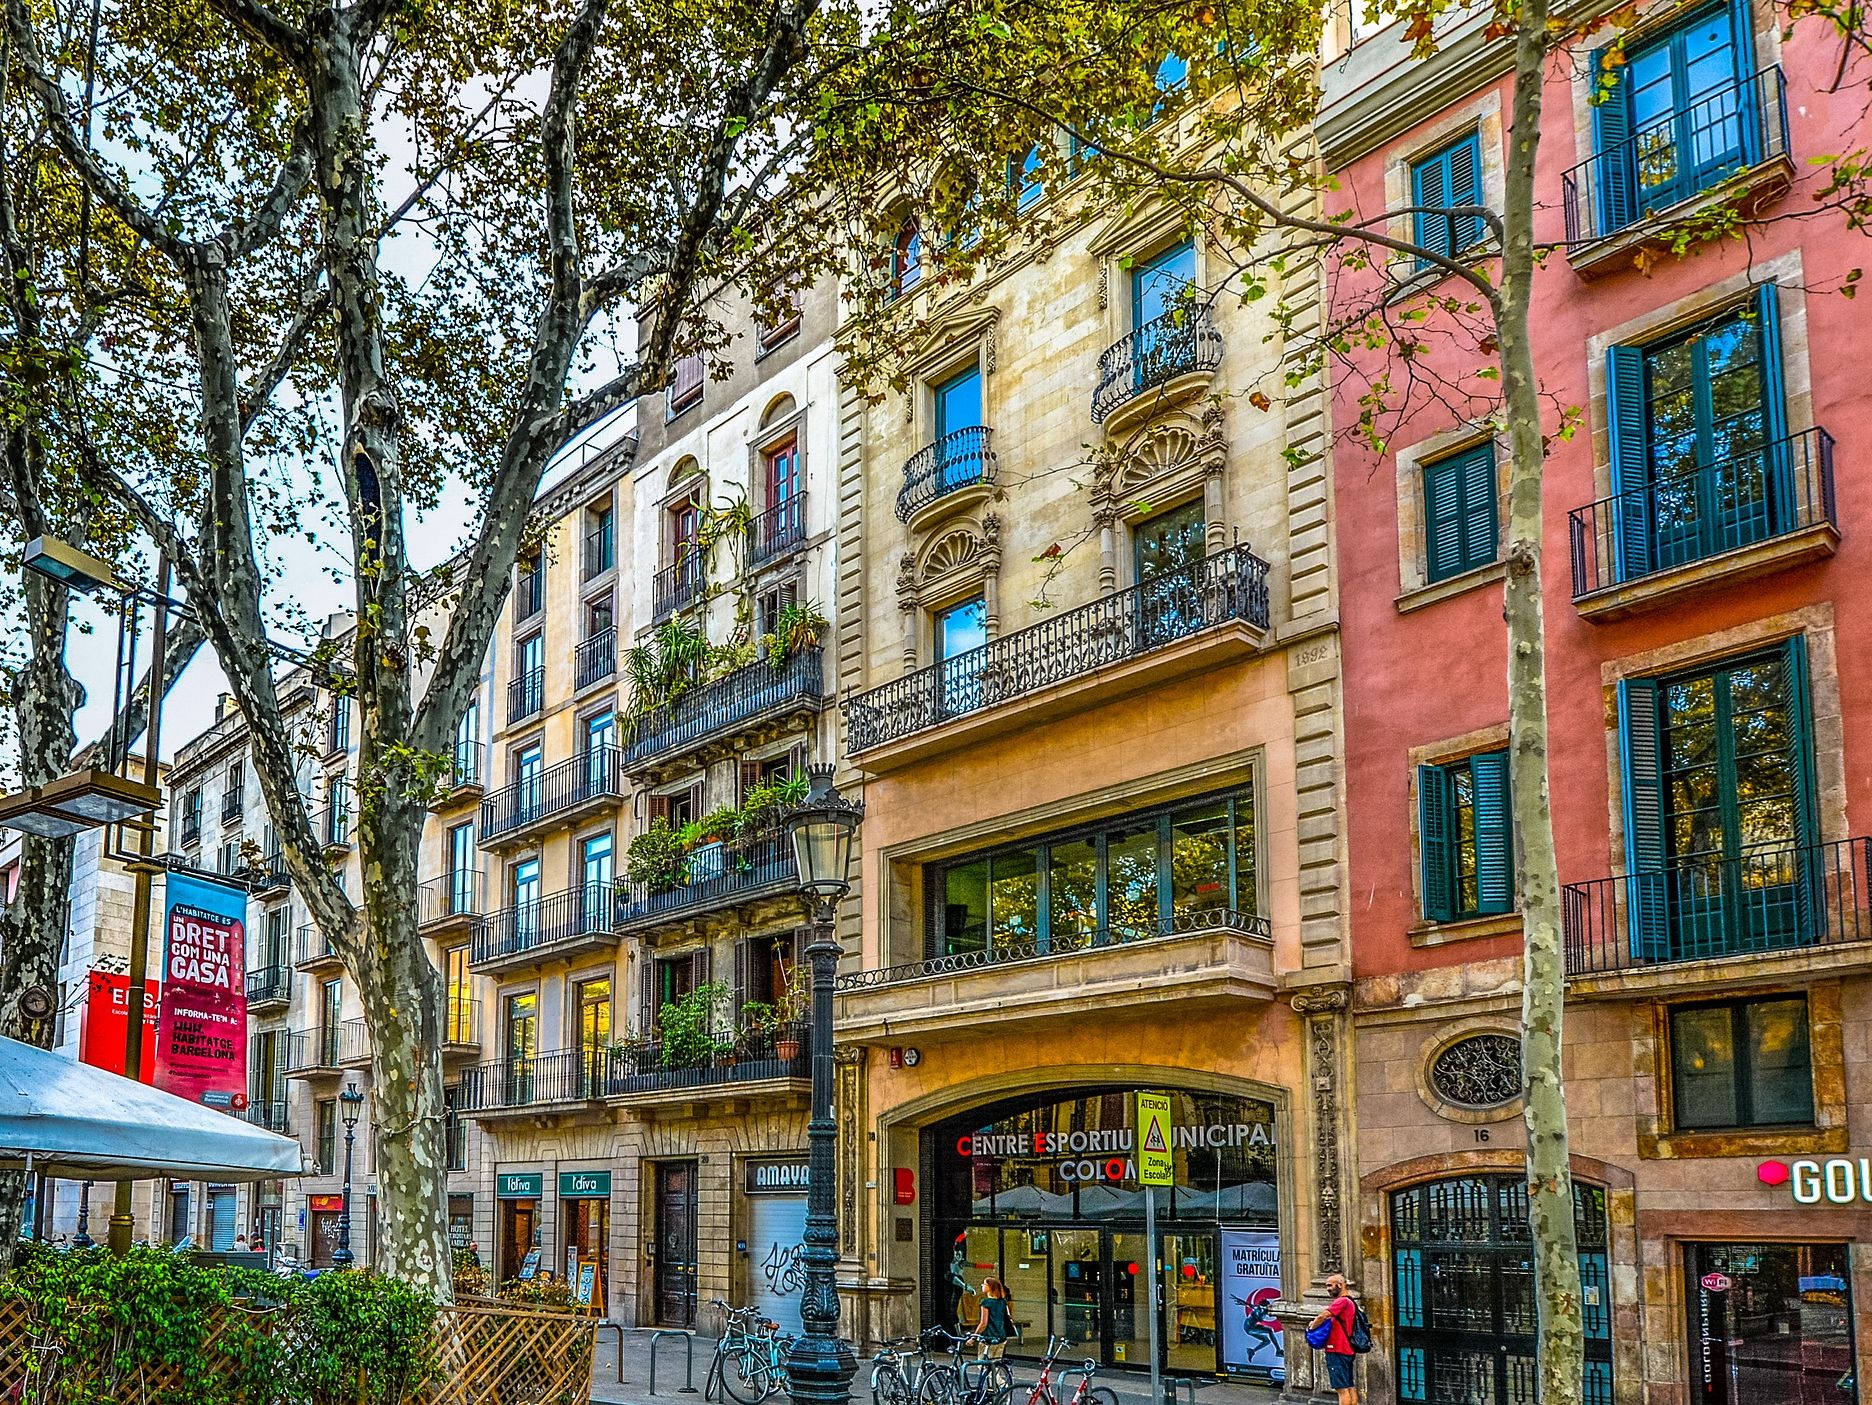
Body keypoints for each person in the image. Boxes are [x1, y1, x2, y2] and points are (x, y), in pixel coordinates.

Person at [1307, 1274, 1360, 1405]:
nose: (1328, 1288)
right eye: (1327, 1286)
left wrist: (1311, 1327)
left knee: (1341, 1389)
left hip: (1337, 1348)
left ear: (1340, 1285)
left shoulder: (1341, 1301)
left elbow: (1323, 1316)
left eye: (1330, 1285)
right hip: (1347, 1349)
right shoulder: (1350, 1301)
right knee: (1349, 1386)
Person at [973, 1276, 1012, 1360]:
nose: (982, 1285)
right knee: (995, 1362)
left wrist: (973, 1337)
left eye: (984, 1284)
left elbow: (983, 1323)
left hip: (989, 1337)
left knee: (982, 1363)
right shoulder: (1003, 1302)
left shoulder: (986, 1302)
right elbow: (1008, 1316)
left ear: (990, 1287)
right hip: (1001, 1336)